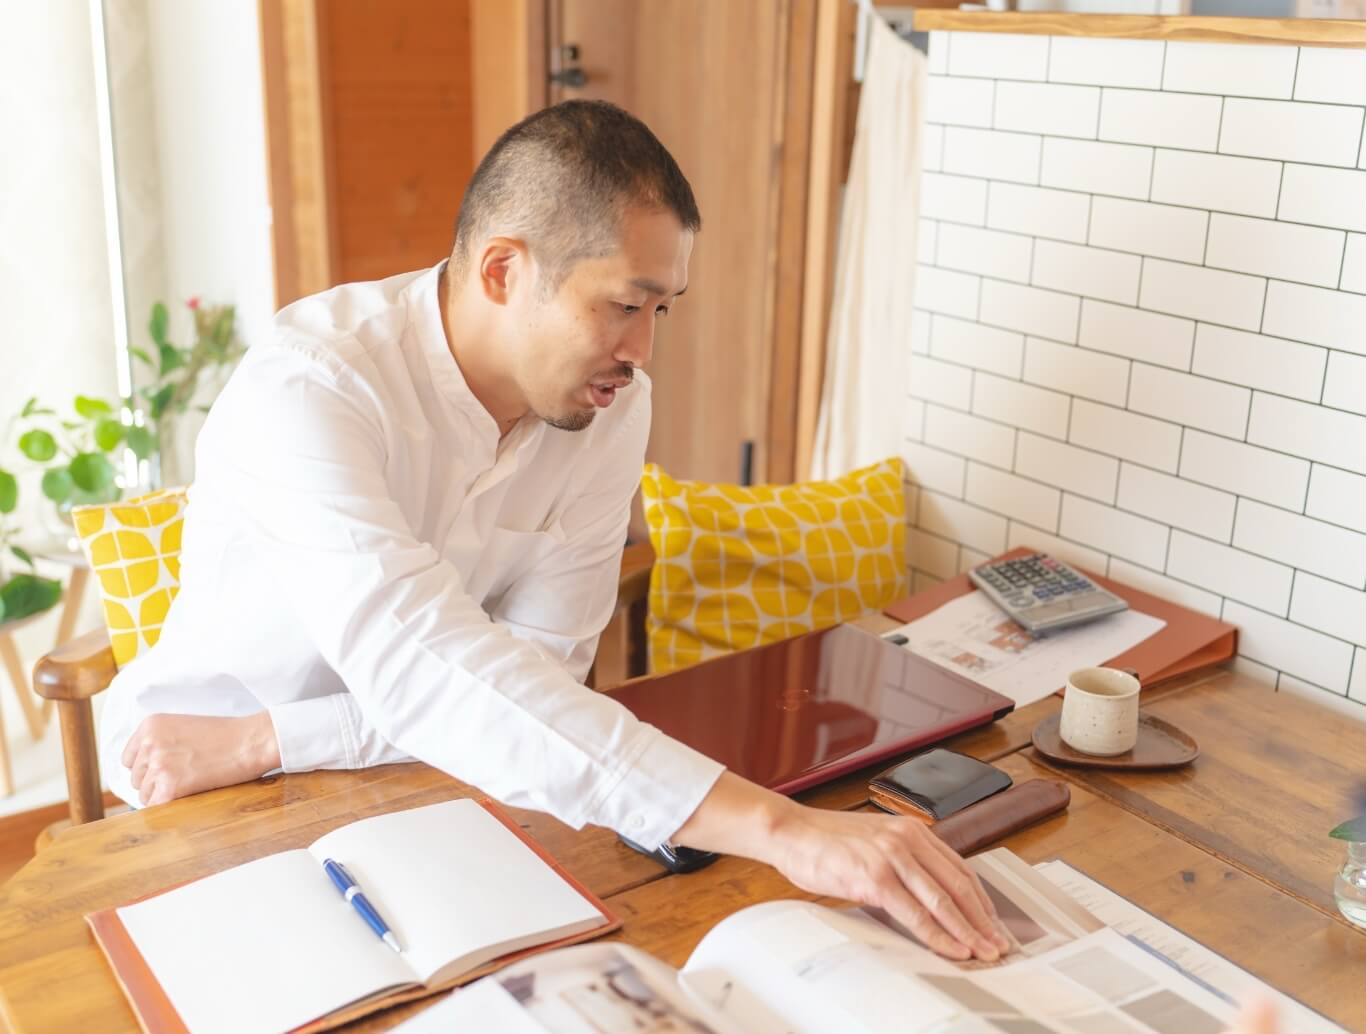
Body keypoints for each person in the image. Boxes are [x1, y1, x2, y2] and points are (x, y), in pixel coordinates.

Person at [101, 100, 1009, 963]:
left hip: (428, 779)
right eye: (624, 305)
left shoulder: (610, 409)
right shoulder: (313, 387)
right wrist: (779, 829)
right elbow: (423, 668)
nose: (643, 352)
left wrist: (275, 736)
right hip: (194, 792)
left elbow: (535, 672)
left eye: (662, 309)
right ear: (504, 271)